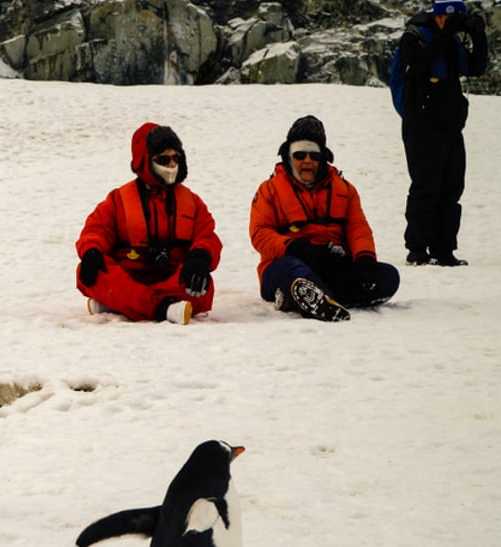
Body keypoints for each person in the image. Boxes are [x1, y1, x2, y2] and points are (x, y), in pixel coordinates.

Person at [249, 115, 401, 322]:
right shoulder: (269, 190)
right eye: (300, 155)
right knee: (292, 270)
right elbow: (260, 234)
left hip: (332, 266)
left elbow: (358, 228)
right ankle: (311, 295)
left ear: (323, 158)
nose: (307, 161)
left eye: (314, 155)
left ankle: (310, 298)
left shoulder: (345, 190)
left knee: (387, 276)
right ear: (288, 156)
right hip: (285, 265)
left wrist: (365, 259)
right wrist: (297, 248)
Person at [75, 123, 221, 326]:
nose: (171, 165)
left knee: (203, 285)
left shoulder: (192, 202)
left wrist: (201, 256)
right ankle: (164, 309)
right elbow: (95, 229)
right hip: (130, 274)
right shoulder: (118, 199)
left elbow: (207, 235)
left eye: (175, 158)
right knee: (89, 271)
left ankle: (122, 304)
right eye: (163, 159)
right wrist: (91, 251)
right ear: (144, 161)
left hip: (170, 278)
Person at [394, 0, 488, 266]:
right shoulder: (414, 35)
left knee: (452, 187)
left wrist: (478, 36)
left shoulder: (454, 42)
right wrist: (447, 34)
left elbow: (476, 67)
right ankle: (417, 248)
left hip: (450, 125)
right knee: (426, 186)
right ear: (439, 17)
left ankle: (444, 249)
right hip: (421, 123)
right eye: (453, 18)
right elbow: (420, 64)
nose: (457, 23)